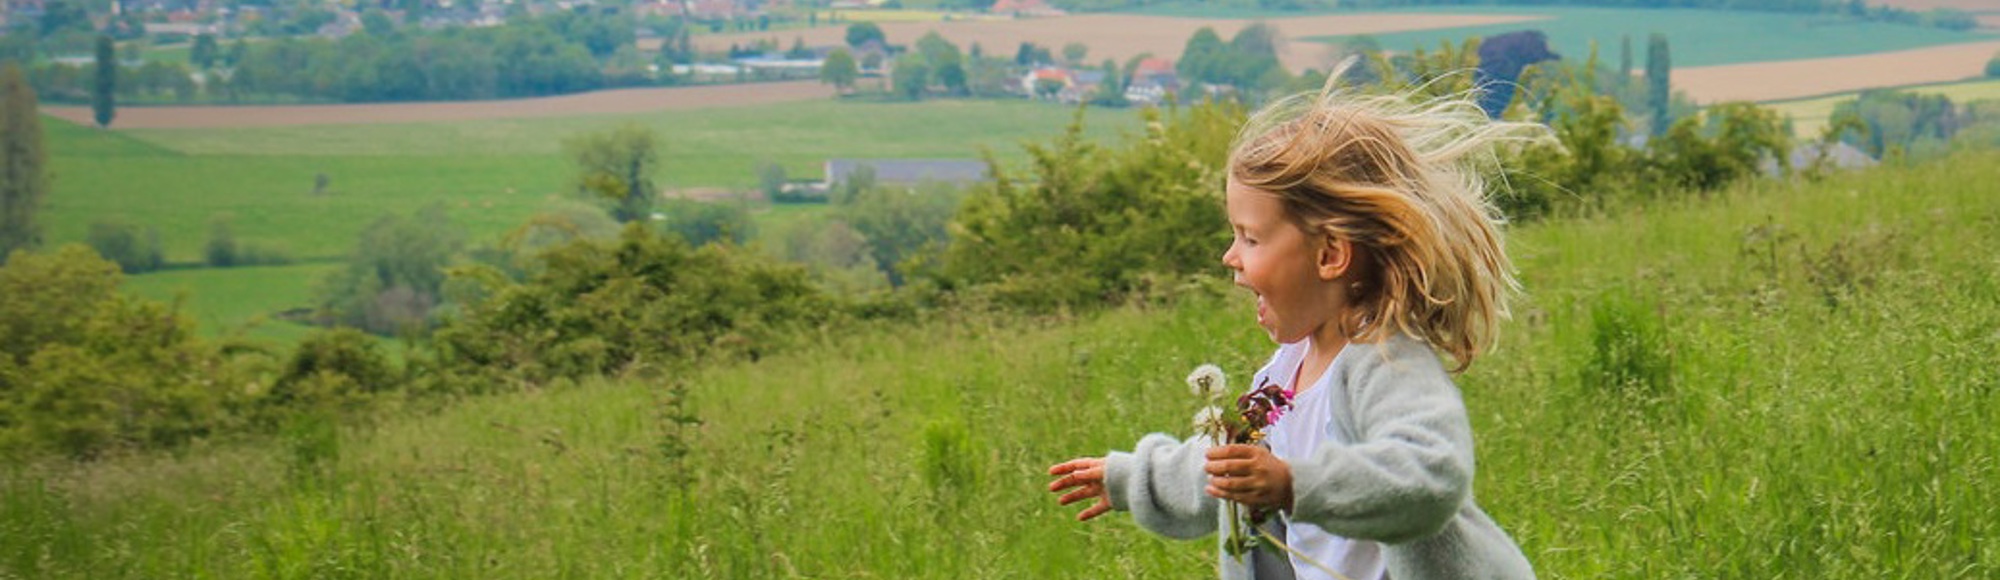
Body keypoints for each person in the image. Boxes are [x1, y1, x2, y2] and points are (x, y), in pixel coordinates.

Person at [1045, 78, 1543, 580]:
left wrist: (1291, 484)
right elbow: (1228, 470)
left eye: (1251, 237)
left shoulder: (1386, 361)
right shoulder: (1284, 375)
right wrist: (1134, 480)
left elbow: (1432, 476)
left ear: (1329, 255)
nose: (1230, 256)